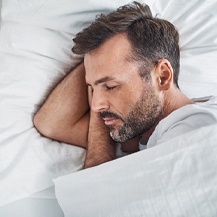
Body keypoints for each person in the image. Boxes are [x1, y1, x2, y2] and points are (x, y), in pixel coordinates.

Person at [34, 1, 217, 168]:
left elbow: (100, 199)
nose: (95, 105)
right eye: (91, 87)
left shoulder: (194, 130)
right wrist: (101, 67)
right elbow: (51, 123)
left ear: (162, 76)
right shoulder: (141, 130)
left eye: (111, 86)